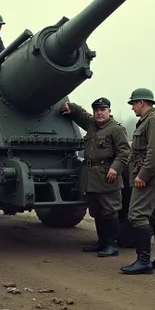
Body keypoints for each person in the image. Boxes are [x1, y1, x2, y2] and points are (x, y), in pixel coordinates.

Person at [60, 97, 131, 257]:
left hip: (108, 175)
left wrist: (115, 168)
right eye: (96, 110)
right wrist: (71, 107)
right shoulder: (92, 125)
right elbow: (82, 115)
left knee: (110, 210)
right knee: (96, 211)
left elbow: (124, 151)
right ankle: (101, 242)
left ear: (109, 111)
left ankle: (112, 245)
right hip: (91, 175)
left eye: (102, 110)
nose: (99, 113)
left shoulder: (116, 129)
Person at [120, 88, 155, 275]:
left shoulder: (153, 121)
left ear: (142, 102)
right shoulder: (148, 121)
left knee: (137, 214)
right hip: (153, 177)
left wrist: (143, 175)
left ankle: (143, 261)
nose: (132, 108)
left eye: (133, 103)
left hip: (149, 178)